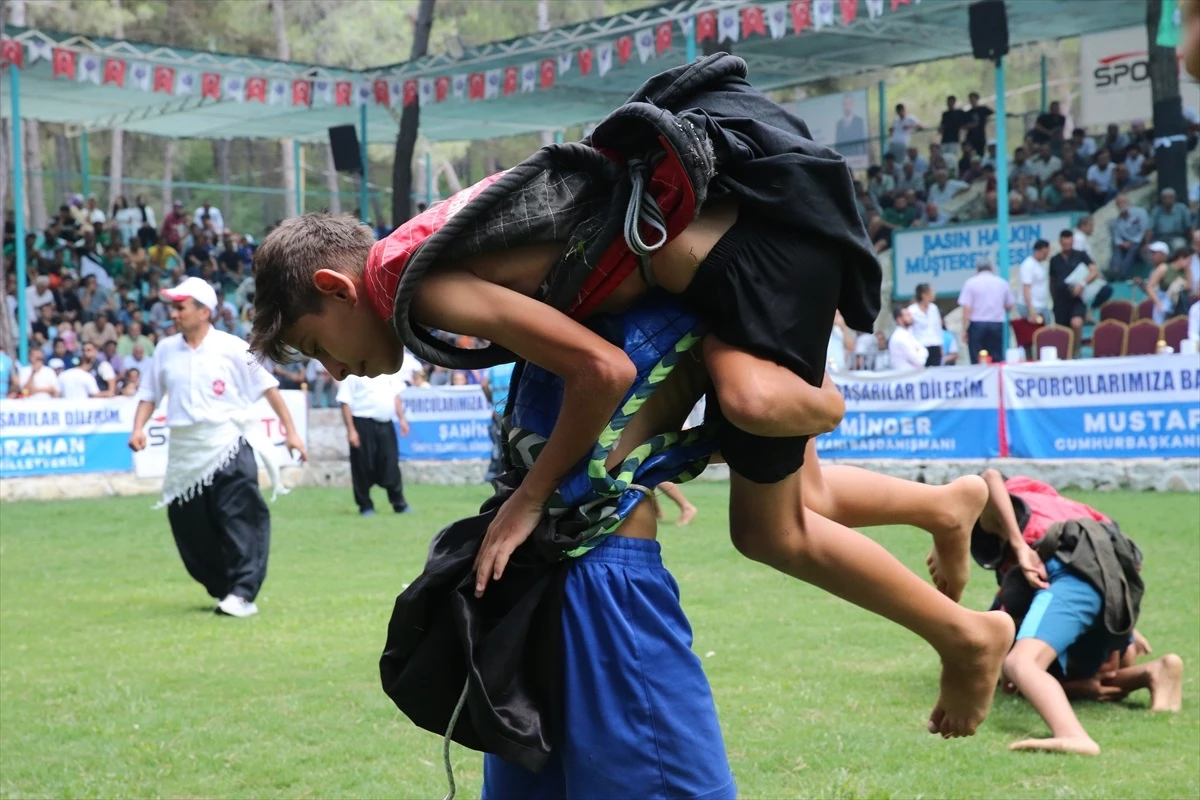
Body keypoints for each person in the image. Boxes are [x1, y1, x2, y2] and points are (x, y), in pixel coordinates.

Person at [252, 58, 1012, 739]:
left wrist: (530, 496)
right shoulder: (430, 251)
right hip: (738, 260)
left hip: (754, 259)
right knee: (799, 490)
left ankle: (962, 634)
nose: (339, 371)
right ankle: (944, 506)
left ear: (335, 287)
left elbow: (601, 371)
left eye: (320, 347)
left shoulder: (427, 286)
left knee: (769, 523)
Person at [128, 277, 306, 618]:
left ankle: (243, 592)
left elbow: (269, 387)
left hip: (229, 444)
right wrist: (139, 428)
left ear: (204, 312)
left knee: (239, 517)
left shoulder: (234, 347)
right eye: (173, 307)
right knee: (188, 523)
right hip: (186, 451)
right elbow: (149, 393)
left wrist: (292, 432)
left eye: (180, 307)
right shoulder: (165, 350)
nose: (174, 314)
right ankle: (225, 587)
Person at [971, 470, 1183, 756]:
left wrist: (1019, 544)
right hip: (1116, 578)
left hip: (1071, 571)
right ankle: (1154, 672)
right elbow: (1106, 555)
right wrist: (1127, 625)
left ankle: (1072, 735)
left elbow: (989, 477)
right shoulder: (1054, 504)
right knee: (1098, 671)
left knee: (1020, 664)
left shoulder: (999, 507)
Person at [336, 372, 411, 516]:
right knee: (362, 466)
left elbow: (396, 396)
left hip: (385, 423)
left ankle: (399, 503)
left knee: (391, 463)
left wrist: (402, 418)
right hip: (362, 423)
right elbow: (345, 402)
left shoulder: (388, 372)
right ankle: (365, 505)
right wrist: (351, 430)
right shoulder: (353, 373)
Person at [1048, 229, 1099, 354]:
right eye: (1064, 243)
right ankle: (1066, 354)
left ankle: (1077, 350)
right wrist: (1053, 299)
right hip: (1060, 300)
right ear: (1060, 242)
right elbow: (1052, 281)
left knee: (1076, 323)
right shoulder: (1055, 260)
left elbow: (1094, 271)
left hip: (1076, 298)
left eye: (1069, 242)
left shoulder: (1081, 255)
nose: (1067, 245)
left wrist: (1082, 284)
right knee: (1063, 331)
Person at [957, 260, 1014, 364]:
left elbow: (967, 308)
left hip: (977, 324)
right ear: (992, 269)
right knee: (996, 357)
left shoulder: (970, 283)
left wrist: (964, 329)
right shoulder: (1002, 283)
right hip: (996, 323)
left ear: (977, 269)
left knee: (977, 358)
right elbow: (1009, 306)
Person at [1140, 246, 1195, 324]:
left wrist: (1188, 270)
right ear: (1181, 258)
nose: (1189, 263)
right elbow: (1150, 287)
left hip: (1179, 304)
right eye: (1188, 260)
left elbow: (1190, 287)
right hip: (1163, 300)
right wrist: (1158, 303)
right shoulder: (1164, 268)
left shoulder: (1185, 271)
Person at [1109, 194, 1151, 280]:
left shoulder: (1140, 212)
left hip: (1140, 241)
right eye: (1119, 203)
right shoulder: (1116, 221)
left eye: (1123, 202)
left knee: (1133, 249)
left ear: (1128, 202)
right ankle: (1115, 270)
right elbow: (1117, 237)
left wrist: (1137, 242)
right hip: (1126, 242)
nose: (1122, 205)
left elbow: (1145, 230)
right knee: (1117, 248)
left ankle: (1123, 273)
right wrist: (1122, 244)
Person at [906, 284, 944, 367]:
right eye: (931, 292)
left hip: (935, 345)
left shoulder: (934, 308)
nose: (934, 294)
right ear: (924, 295)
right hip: (921, 347)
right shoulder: (912, 310)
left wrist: (941, 346)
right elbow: (910, 331)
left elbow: (938, 328)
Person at [1019, 239, 1052, 322]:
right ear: (1037, 251)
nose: (1046, 256)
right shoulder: (1028, 265)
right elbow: (1026, 288)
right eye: (1044, 253)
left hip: (1042, 304)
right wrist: (1031, 310)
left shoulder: (1041, 264)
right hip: (1033, 306)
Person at [887, 305, 928, 370]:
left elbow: (924, 350)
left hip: (914, 376)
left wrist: (921, 352)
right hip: (905, 377)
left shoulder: (907, 334)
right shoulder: (900, 337)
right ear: (899, 319)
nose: (911, 317)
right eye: (907, 315)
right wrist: (921, 352)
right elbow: (919, 361)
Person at [835, 92, 867, 157]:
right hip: (844, 158)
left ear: (852, 105)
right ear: (842, 106)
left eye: (849, 104)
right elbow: (837, 145)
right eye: (845, 104)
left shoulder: (859, 121)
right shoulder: (839, 124)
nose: (847, 106)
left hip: (857, 158)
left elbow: (863, 142)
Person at [963, 92, 993, 157]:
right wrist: (970, 125)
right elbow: (963, 125)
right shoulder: (968, 113)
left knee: (980, 154)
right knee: (968, 154)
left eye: (973, 99)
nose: (972, 101)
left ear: (977, 99)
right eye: (970, 99)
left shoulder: (983, 109)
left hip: (980, 136)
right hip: (970, 137)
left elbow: (994, 113)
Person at [938, 95, 967, 160]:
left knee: (952, 157)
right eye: (948, 102)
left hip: (954, 139)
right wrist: (940, 130)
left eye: (951, 102)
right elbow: (942, 125)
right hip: (945, 139)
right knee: (943, 157)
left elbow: (965, 122)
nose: (949, 103)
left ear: (954, 102)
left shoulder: (959, 113)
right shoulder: (945, 114)